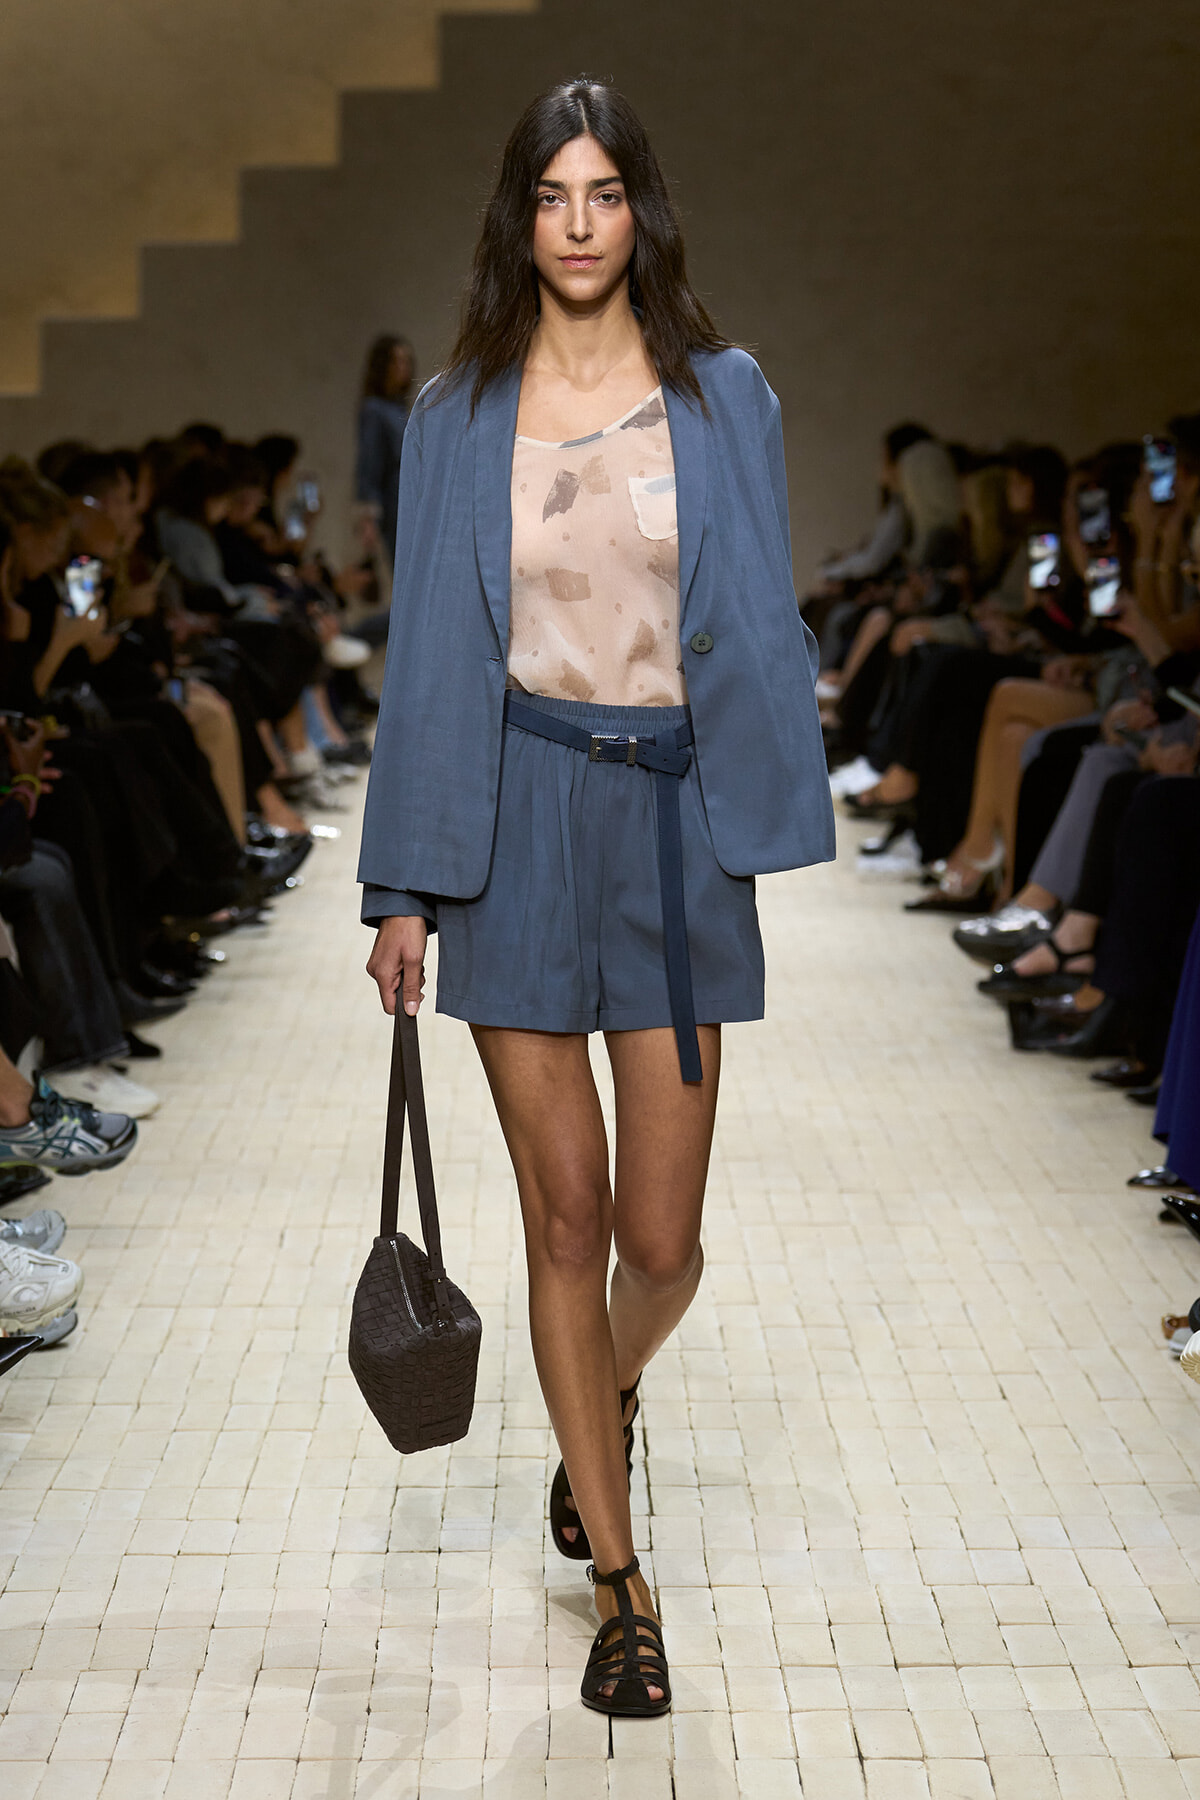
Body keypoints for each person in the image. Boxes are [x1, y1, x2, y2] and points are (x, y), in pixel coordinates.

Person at [359, 78, 832, 1718]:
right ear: (521, 216)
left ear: (642, 211)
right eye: (552, 195)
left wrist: (778, 798)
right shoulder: (457, 414)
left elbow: (760, 614)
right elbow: (429, 653)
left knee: (663, 1238)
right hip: (512, 812)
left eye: (605, 193)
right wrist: (401, 883)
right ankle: (623, 1582)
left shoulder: (724, 397)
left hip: (675, 818)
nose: (577, 223)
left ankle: (598, 1402)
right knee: (564, 1219)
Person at [354, 334, 416, 571]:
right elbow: (369, 462)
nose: (403, 367)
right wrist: (368, 516)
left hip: (408, 493)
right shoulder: (373, 409)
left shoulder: (400, 408)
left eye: (406, 361)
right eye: (396, 361)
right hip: (393, 499)